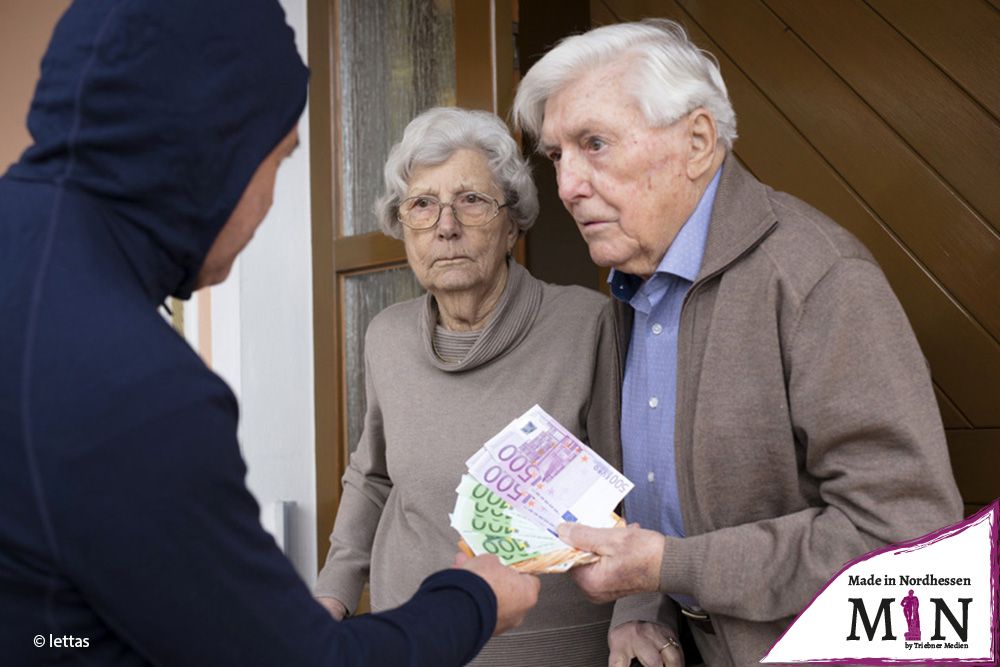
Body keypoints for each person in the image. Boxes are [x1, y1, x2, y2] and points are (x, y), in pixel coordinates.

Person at [0, 1, 539, 665]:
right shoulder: (134, 385)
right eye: (281, 161)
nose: (268, 207)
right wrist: (474, 596)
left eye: (471, 202)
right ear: (217, 148)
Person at [512, 18, 963, 667]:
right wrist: (642, 606)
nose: (567, 185)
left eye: (595, 143)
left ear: (698, 140)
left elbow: (904, 538)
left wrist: (672, 565)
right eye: (557, 155)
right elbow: (647, 490)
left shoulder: (819, 279)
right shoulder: (628, 288)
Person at [313, 106, 621, 666]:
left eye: (471, 201)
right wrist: (331, 590)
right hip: (412, 637)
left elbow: (638, 490)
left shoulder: (587, 325)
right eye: (423, 205)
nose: (445, 226)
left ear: (512, 222)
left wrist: (641, 615)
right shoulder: (387, 337)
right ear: (402, 226)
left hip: (552, 647)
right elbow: (373, 475)